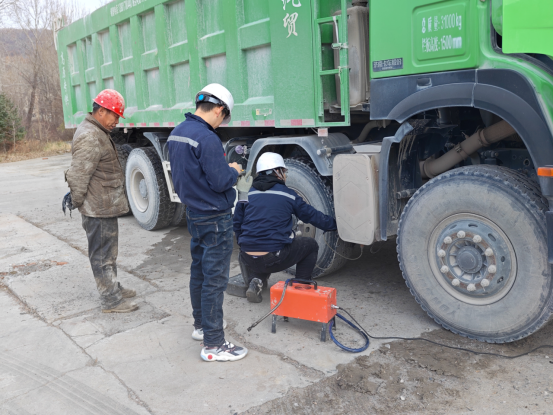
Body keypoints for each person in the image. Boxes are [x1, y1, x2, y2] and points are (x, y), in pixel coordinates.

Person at [167, 83, 249, 362]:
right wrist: (233, 169)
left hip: (194, 213)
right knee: (215, 279)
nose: (222, 123)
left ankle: (202, 326)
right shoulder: (207, 138)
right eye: (224, 117)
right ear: (218, 109)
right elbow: (220, 181)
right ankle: (214, 344)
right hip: (215, 218)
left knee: (199, 272)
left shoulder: (178, 132)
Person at [65, 89, 138, 313]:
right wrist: (79, 202)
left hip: (103, 205)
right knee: (102, 255)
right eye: (114, 115)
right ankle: (110, 299)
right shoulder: (90, 135)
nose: (117, 121)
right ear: (101, 111)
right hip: (97, 208)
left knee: (108, 253)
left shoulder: (97, 130)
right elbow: (78, 175)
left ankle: (112, 286)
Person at [233, 152, 338, 303]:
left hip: (247, 257)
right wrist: (335, 225)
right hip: (274, 258)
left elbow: (237, 223)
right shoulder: (288, 195)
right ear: (277, 172)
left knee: (259, 248)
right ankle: (301, 287)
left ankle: (255, 281)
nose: (285, 175)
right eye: (283, 171)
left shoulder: (246, 194)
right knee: (310, 245)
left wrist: (244, 244)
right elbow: (312, 216)